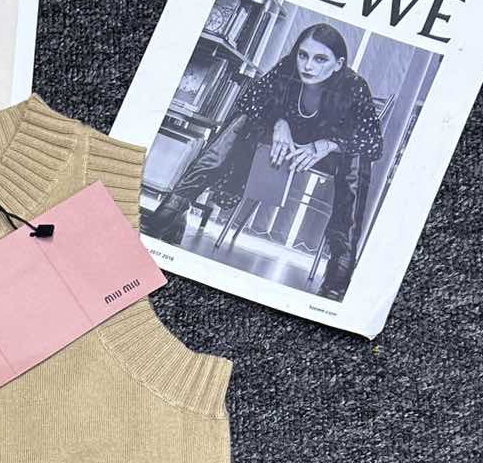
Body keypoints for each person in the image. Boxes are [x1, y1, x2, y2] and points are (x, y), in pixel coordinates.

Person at [141, 23, 383, 298]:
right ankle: (174, 207)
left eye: (320, 59)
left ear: (338, 64)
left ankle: (341, 265)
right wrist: (279, 122)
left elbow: (373, 141)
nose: (308, 66)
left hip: (324, 156)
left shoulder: (353, 86)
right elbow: (249, 100)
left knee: (357, 159)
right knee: (242, 121)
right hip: (281, 144)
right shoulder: (287, 67)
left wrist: (327, 144)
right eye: (303, 55)